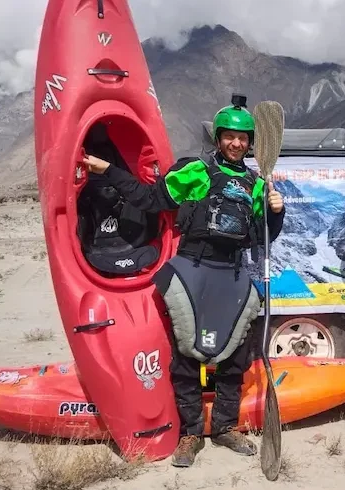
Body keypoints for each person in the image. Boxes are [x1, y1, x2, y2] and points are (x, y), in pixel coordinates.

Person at [82, 98, 286, 468]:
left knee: (234, 356)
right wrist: (109, 170)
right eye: (230, 137)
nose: (236, 144)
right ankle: (191, 432)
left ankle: (225, 426)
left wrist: (277, 212)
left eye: (243, 138)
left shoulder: (257, 185)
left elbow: (262, 238)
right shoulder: (197, 171)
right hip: (194, 268)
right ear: (219, 137)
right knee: (186, 355)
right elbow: (151, 198)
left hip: (233, 273)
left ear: (250, 142)